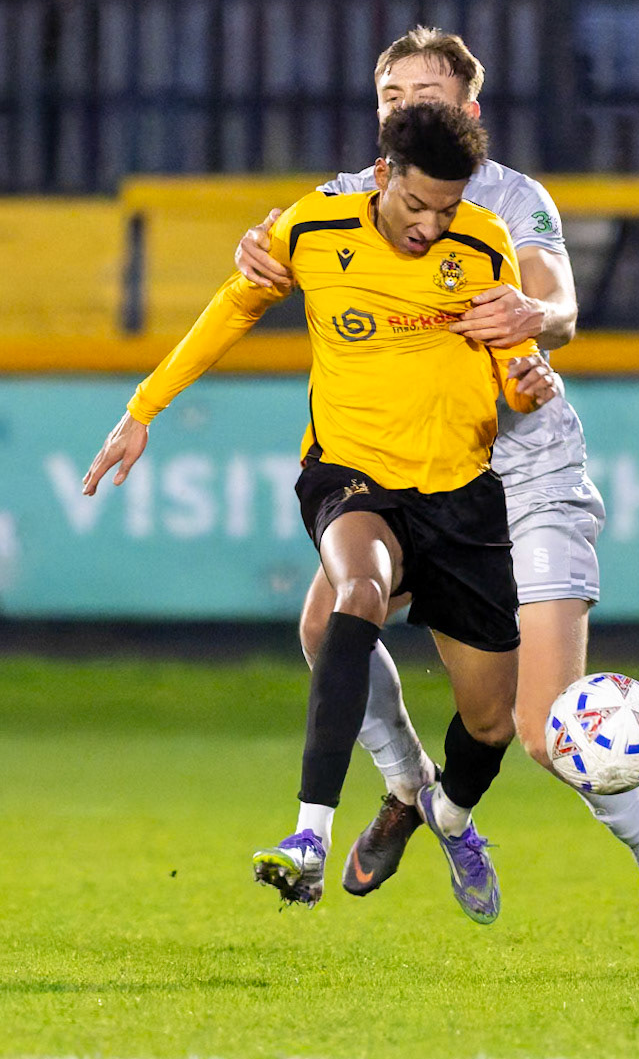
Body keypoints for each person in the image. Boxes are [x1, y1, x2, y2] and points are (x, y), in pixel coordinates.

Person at [234, 26, 639, 975]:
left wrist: (539, 317)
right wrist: (254, 255)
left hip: (526, 481)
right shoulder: (342, 202)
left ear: (470, 110)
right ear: (379, 109)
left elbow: (560, 302)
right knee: (328, 625)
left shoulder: (511, 199)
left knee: (542, 728)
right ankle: (411, 788)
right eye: (395, 90)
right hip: (413, 478)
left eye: (433, 91)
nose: (412, 102)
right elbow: (277, 258)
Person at [83, 101, 555, 925]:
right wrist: (143, 407)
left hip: (459, 495)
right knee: (357, 591)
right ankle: (308, 837)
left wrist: (529, 379)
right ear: (382, 177)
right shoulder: (312, 228)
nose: (429, 226)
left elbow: (515, 371)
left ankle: (447, 816)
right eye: (416, 206)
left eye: (446, 208)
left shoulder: (482, 245)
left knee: (489, 725)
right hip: (350, 475)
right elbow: (234, 305)